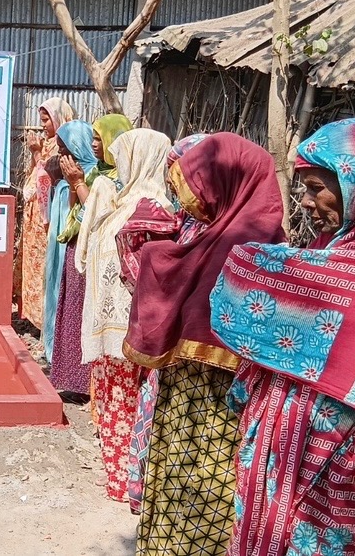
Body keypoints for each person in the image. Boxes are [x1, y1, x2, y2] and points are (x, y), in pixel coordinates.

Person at [209, 119, 355, 555]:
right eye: (304, 189)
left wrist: (258, 267)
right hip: (278, 427)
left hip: (341, 440)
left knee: (326, 541)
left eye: (316, 187)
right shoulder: (327, 248)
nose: (306, 202)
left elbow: (269, 278)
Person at [122, 133, 285, 555]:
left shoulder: (261, 250)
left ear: (232, 183)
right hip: (183, 397)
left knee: (207, 495)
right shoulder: (209, 239)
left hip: (229, 403)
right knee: (175, 480)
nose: (194, 200)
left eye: (202, 186)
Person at [74, 126, 171, 502]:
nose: (120, 166)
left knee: (129, 402)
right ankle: (121, 480)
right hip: (113, 330)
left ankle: (130, 483)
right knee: (118, 402)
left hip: (131, 333)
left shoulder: (152, 211)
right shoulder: (125, 202)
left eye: (125, 157)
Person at [118, 133, 209, 515]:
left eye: (186, 175)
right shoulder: (185, 222)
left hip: (204, 360)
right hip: (170, 351)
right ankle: (152, 494)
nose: (178, 185)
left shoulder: (230, 232)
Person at [44, 119, 106, 397]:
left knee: (84, 314)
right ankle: (70, 377)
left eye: (63, 148)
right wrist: (72, 184)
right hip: (74, 247)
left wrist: (78, 182)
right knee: (69, 311)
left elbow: (96, 212)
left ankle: (84, 381)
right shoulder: (79, 176)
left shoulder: (100, 176)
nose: (60, 156)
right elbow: (73, 213)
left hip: (91, 252)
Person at [19, 98, 75, 341]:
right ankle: (34, 319)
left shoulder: (65, 146)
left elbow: (49, 178)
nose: (43, 126)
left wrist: (37, 152)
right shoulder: (48, 144)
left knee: (47, 268)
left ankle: (47, 323)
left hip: (50, 220)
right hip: (36, 219)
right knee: (34, 267)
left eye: (46, 120)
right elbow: (37, 171)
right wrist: (37, 154)